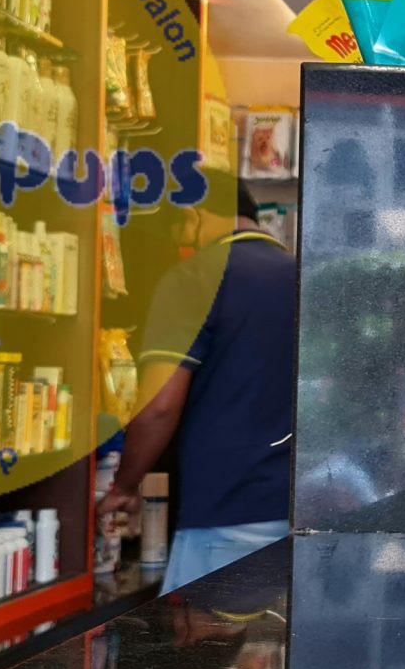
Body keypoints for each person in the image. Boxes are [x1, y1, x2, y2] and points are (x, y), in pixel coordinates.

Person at [103, 176, 298, 590]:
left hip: (224, 518)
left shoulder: (195, 278)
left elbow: (157, 405)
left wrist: (124, 485)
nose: (180, 244)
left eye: (177, 229)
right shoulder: (302, 277)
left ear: (193, 215)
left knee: (201, 652)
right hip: (296, 515)